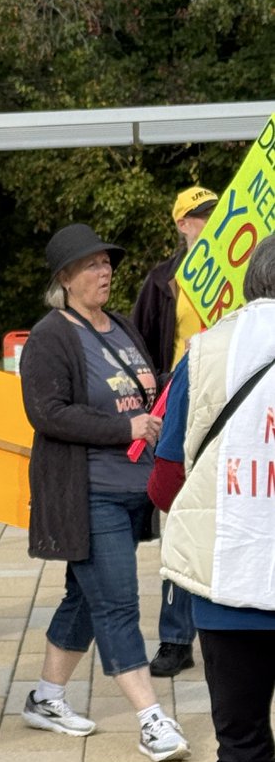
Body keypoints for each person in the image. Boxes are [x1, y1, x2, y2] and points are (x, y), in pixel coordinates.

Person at [148, 234, 275, 762]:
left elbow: (166, 478)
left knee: (242, 756)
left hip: (231, 589)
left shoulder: (208, 350)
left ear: (250, 282)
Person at [18, 222, 190, 762]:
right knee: (116, 602)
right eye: (92, 264)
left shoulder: (118, 326)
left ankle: (46, 697)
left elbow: (143, 388)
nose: (105, 271)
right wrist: (127, 429)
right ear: (66, 277)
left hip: (131, 491)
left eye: (107, 262)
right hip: (87, 493)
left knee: (84, 597)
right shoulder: (51, 336)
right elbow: (47, 413)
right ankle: (150, 720)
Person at [133, 185, 219, 678]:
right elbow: (144, 341)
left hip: (230, 394)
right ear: (182, 224)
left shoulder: (245, 273)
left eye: (213, 213)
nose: (208, 221)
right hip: (181, 401)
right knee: (180, 517)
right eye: (199, 216)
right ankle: (175, 637)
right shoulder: (163, 279)